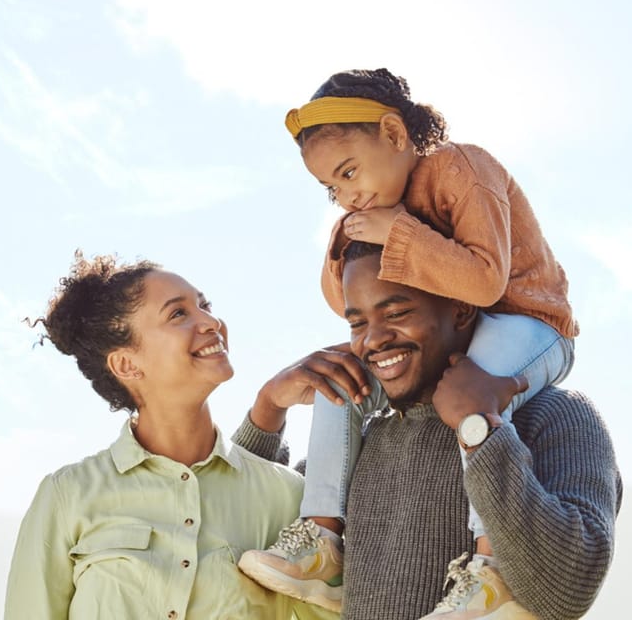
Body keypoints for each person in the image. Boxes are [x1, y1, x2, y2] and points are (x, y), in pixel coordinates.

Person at [238, 68, 579, 614]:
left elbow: (485, 281)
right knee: (340, 374)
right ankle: (323, 539)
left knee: (479, 384)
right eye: (332, 188)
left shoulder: (462, 170)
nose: (346, 196)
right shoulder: (370, 210)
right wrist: (349, 238)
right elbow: (346, 298)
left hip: (528, 324)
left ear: (395, 137)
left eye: (349, 173)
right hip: (453, 339)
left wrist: (399, 232)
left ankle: (488, 572)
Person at [236, 241, 622, 619]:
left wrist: (479, 429)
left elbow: (568, 591)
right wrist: (268, 408)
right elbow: (238, 523)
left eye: (397, 313)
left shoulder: (558, 414)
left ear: (461, 307)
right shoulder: (369, 437)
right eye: (357, 323)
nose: (373, 340)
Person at [3, 252, 338, 620]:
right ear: (127, 364)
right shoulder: (68, 495)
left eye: (205, 305)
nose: (211, 322)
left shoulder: (285, 495)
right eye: (178, 313)